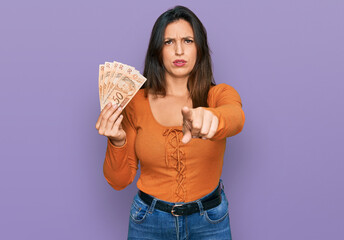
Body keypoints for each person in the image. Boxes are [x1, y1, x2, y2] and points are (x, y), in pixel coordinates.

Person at [95, 5, 245, 240]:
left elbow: (236, 117)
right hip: (148, 222)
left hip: (210, 220)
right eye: (168, 42)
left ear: (200, 49)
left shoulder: (218, 95)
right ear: (157, 50)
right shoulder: (136, 103)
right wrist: (116, 141)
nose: (178, 50)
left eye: (187, 41)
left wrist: (212, 118)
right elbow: (118, 181)